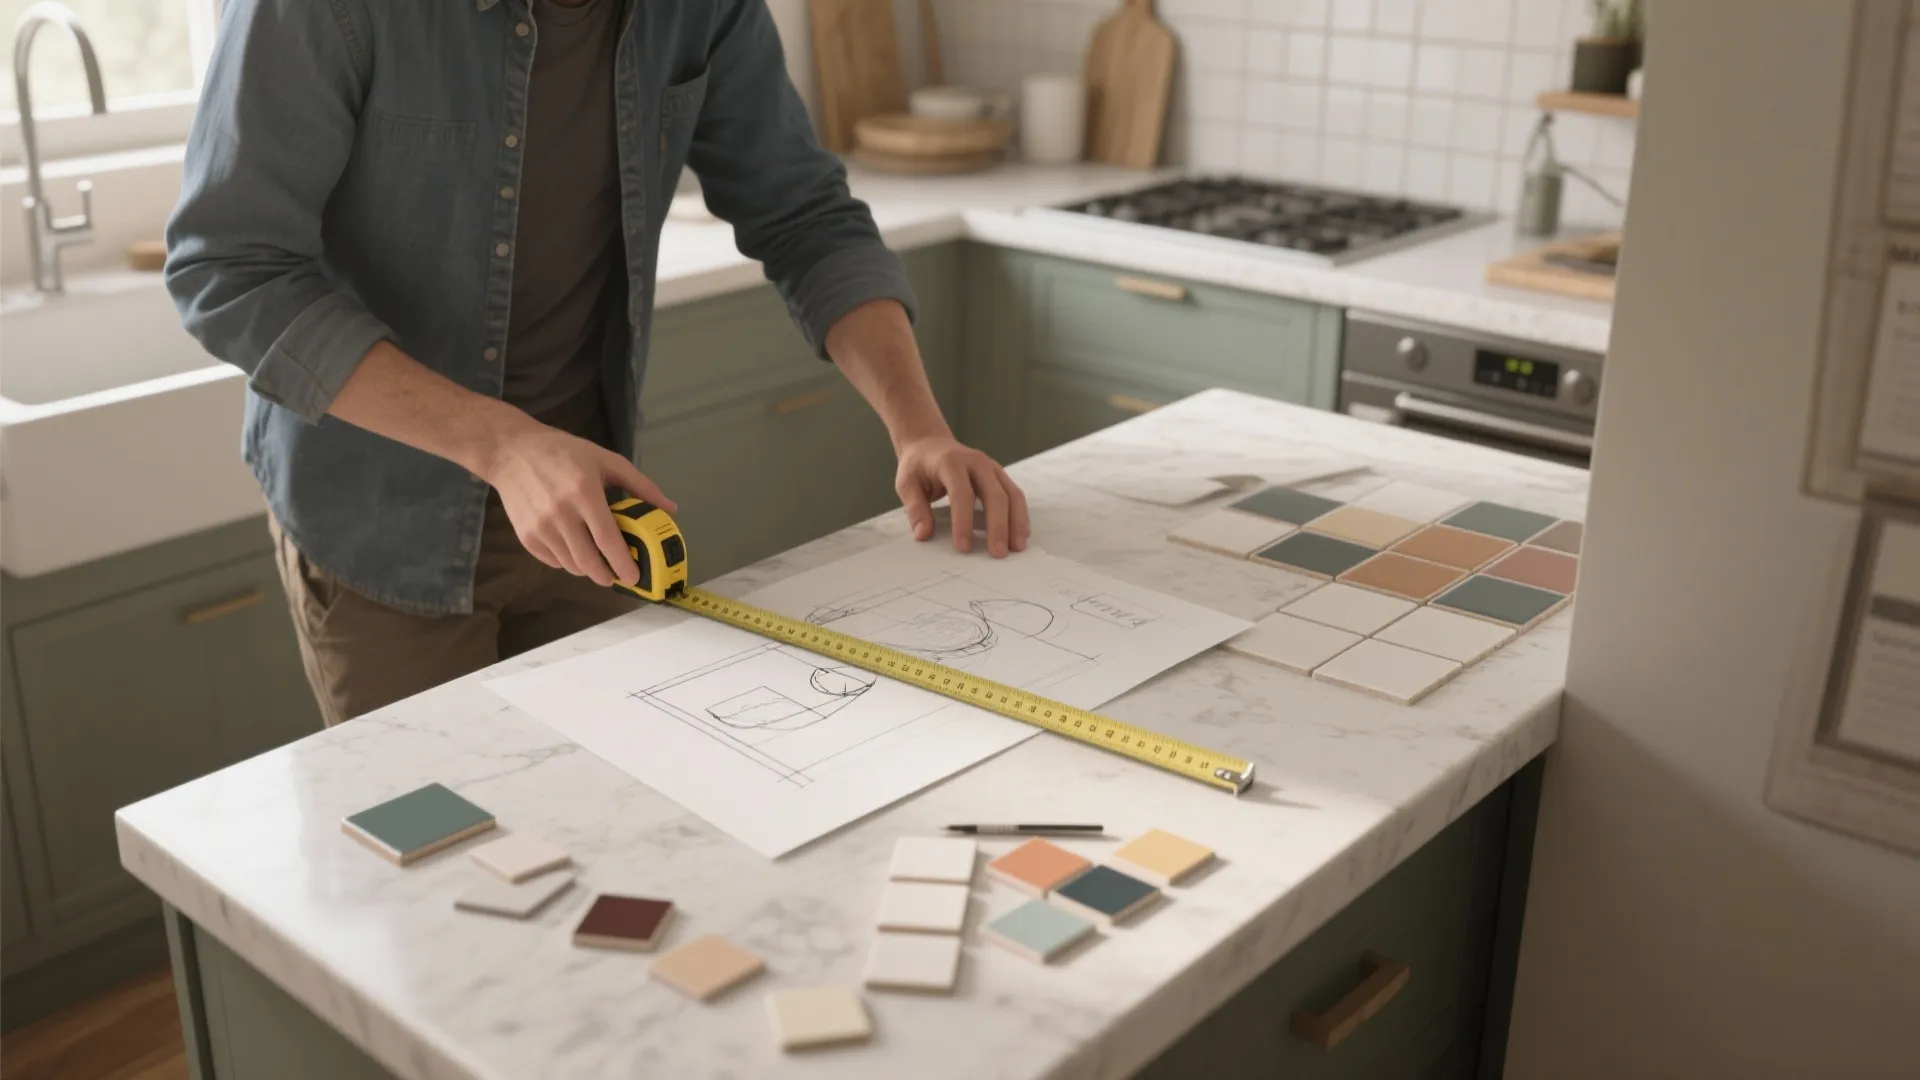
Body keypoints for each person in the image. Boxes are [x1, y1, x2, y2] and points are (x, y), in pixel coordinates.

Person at [165, 0, 1028, 727]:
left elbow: (803, 214)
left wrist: (918, 427)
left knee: (602, 847)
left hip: (589, 514)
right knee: (438, 881)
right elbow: (228, 269)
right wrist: (505, 447)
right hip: (381, 525)